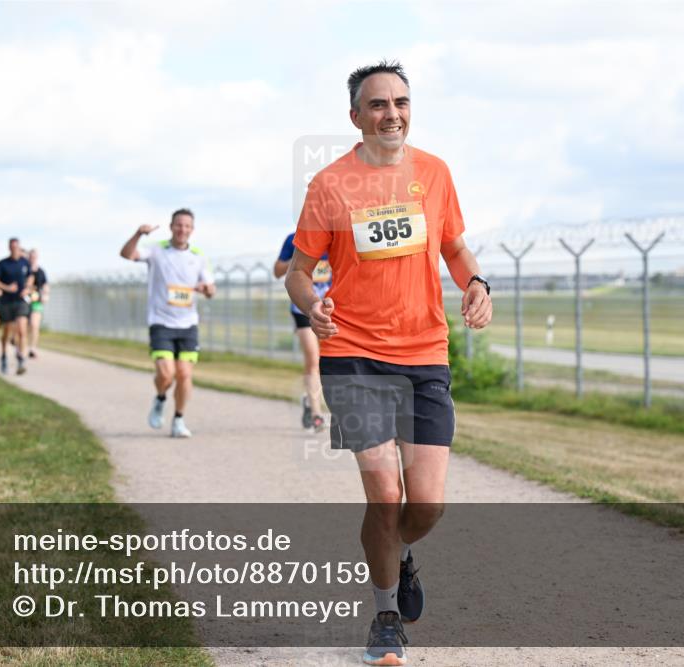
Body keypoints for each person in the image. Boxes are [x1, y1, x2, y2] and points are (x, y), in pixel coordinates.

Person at [285, 61, 492, 666]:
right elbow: (298, 273)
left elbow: (453, 246)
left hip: (424, 352)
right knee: (384, 493)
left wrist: (475, 282)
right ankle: (385, 617)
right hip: (352, 354)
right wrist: (313, 306)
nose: (391, 113)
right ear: (356, 116)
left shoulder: (434, 172)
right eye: (377, 104)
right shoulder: (330, 184)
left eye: (400, 102)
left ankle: (398, 555)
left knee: (425, 505)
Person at [119, 209, 215, 438]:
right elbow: (127, 254)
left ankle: (179, 419)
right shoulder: (156, 250)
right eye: (178, 225)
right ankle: (161, 398)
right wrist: (138, 234)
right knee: (166, 374)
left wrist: (206, 289)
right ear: (171, 226)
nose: (182, 229)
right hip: (161, 322)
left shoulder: (198, 256)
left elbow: (211, 289)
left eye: (187, 226)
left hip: (188, 324)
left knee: (184, 375)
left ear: (192, 229)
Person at [274, 233, 331, 432]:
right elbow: (277, 271)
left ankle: (309, 398)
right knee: (313, 358)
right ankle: (316, 413)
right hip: (303, 308)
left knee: (330, 360)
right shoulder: (294, 239)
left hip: (331, 307)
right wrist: (301, 258)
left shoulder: (338, 237)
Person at [0, 238, 32, 375]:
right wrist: (6, 287)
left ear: (19, 247)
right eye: (12, 247)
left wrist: (27, 288)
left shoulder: (24, 262)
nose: (15, 249)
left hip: (21, 301)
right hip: (7, 302)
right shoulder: (3, 263)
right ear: (9, 248)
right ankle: (3, 357)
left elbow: (31, 277)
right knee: (7, 332)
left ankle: (21, 359)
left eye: (17, 247)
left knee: (22, 330)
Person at [26, 248, 49, 359]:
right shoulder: (25, 269)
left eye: (34, 257)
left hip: (37, 301)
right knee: (25, 325)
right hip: (25, 301)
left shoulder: (41, 271)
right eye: (31, 257)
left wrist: (46, 295)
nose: (33, 259)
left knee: (35, 325)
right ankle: (20, 344)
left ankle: (32, 348)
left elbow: (45, 285)